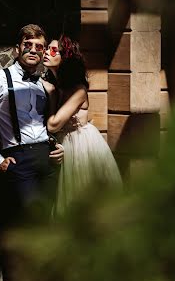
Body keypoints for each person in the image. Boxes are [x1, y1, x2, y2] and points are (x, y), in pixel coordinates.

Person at [0, 24, 64, 281]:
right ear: (17, 48)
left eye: (39, 46)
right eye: (28, 44)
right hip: (18, 160)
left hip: (46, 162)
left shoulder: (43, 85)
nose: (34, 50)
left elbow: (49, 122)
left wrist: (56, 146)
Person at [42, 35, 122, 214]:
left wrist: (53, 95)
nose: (47, 52)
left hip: (81, 146)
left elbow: (53, 125)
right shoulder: (57, 85)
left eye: (53, 50)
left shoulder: (78, 89)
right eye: (47, 48)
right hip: (65, 144)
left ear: (66, 57)